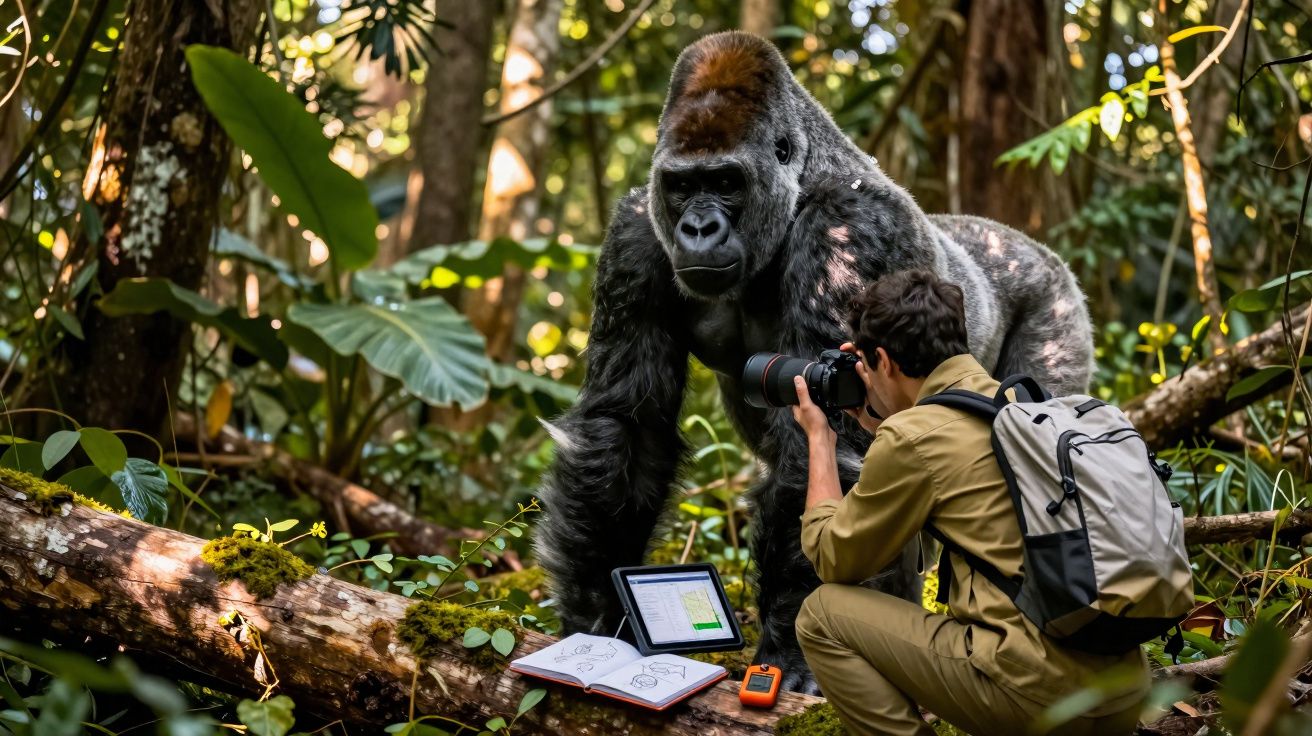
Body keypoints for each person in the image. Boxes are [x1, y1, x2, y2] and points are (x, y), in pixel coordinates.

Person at [789, 269, 1147, 736]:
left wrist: (820, 438)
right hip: (1123, 693)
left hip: (1040, 701)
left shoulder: (915, 438)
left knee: (821, 614)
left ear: (882, 360)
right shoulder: (1018, 406)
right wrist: (887, 430)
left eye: (869, 365)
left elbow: (834, 558)